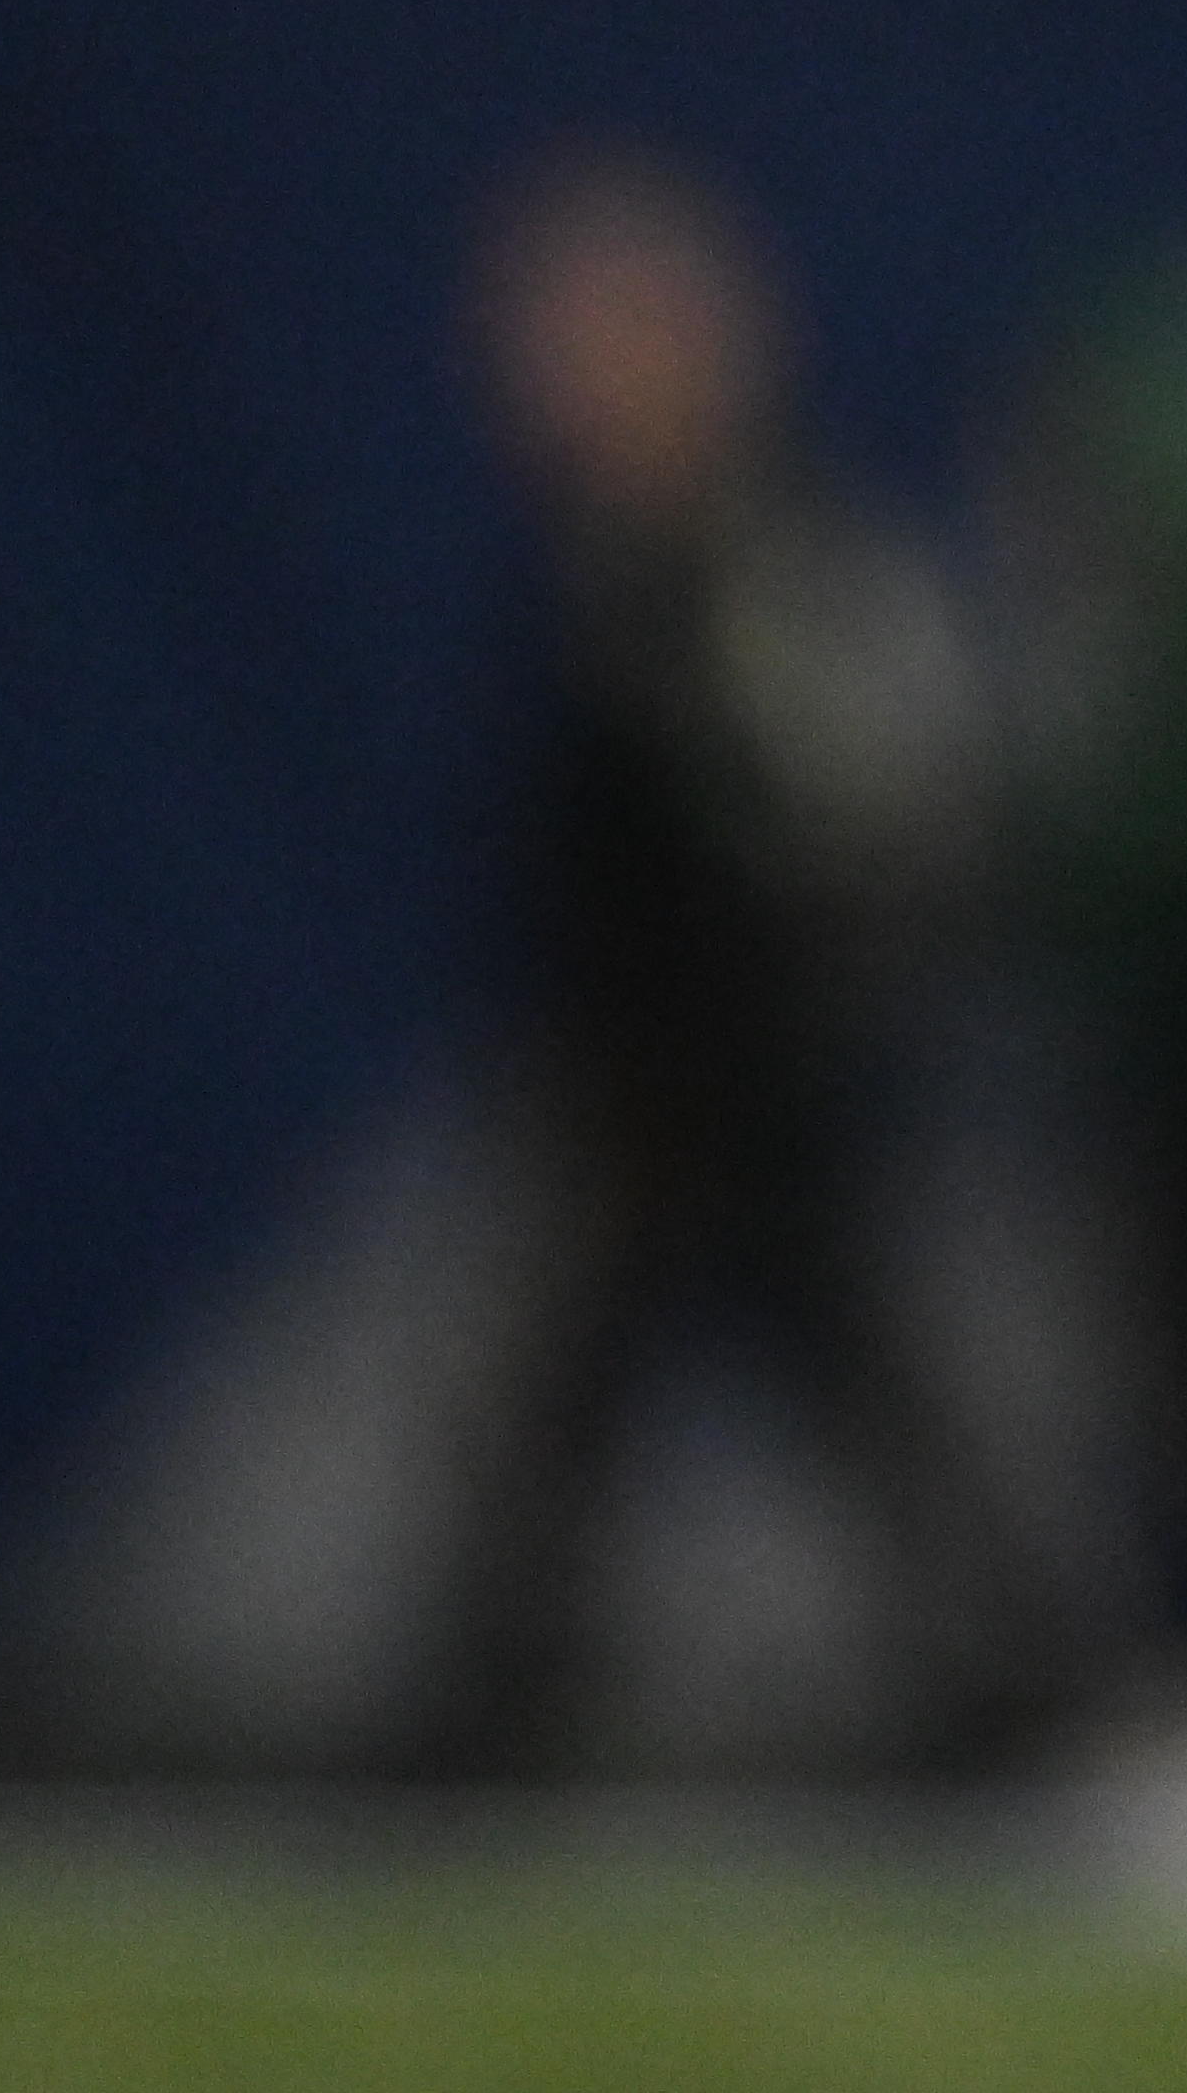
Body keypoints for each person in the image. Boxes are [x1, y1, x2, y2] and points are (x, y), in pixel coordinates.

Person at [398, 141, 1059, 1773]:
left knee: (857, 1396)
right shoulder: (616, 564)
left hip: (759, 1072)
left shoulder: (761, 553)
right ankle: (493, 1713)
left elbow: (883, 796)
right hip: (648, 1070)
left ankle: (1032, 1697)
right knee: (588, 1407)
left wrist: (819, 989)